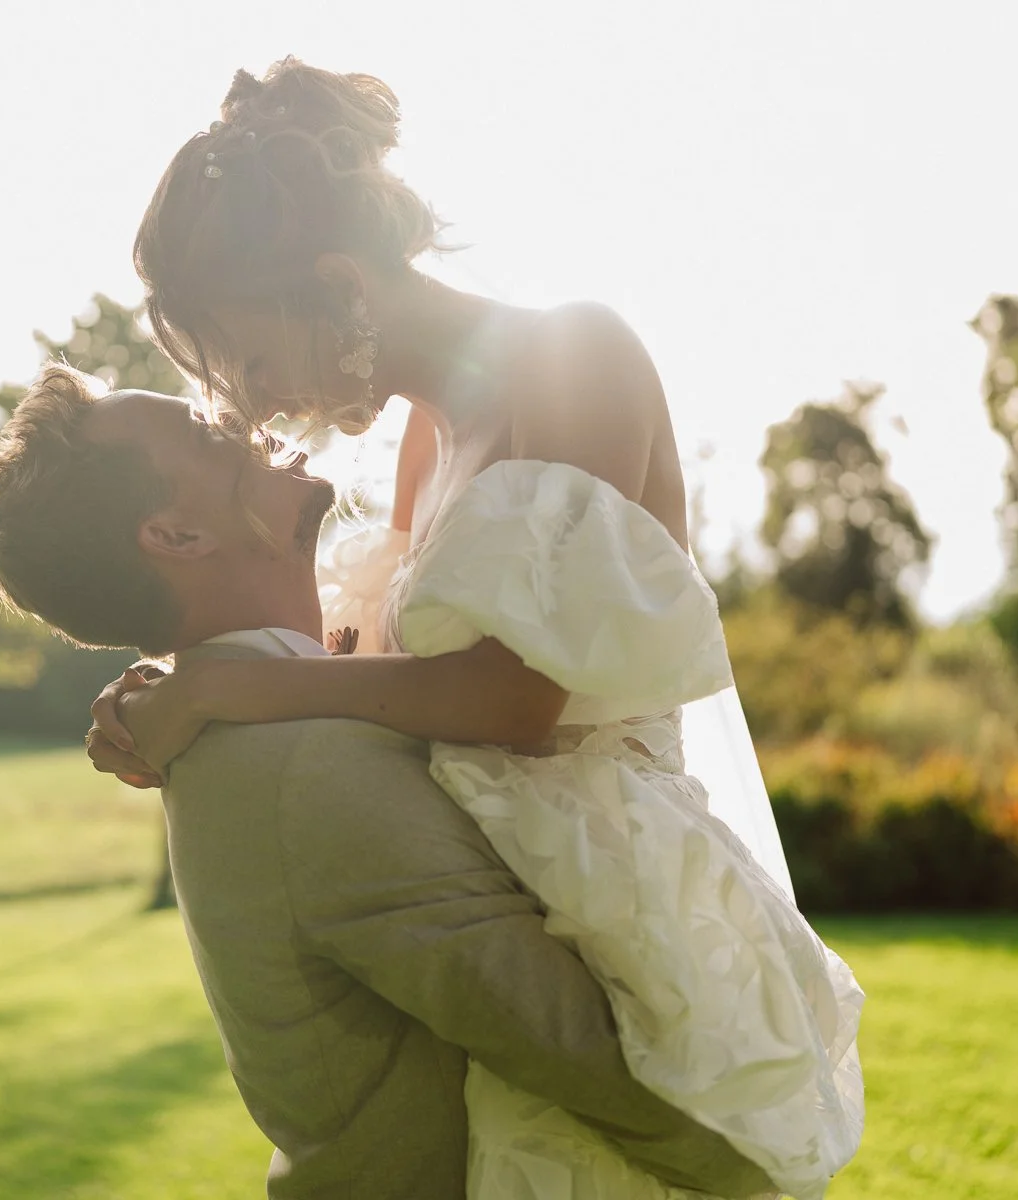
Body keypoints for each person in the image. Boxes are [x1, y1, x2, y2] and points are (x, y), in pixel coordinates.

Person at [82, 58, 864, 1200]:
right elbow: (390, 686)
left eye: (250, 356)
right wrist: (180, 679)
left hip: (618, 907)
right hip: (494, 893)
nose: (252, 402)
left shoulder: (576, 359)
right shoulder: (419, 440)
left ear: (339, 283)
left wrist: (238, 693)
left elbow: (513, 700)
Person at [0, 365, 777, 1200]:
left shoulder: (273, 711)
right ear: (176, 536)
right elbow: (603, 1069)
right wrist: (762, 1154)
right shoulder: (301, 770)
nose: (241, 416)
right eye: (207, 431)